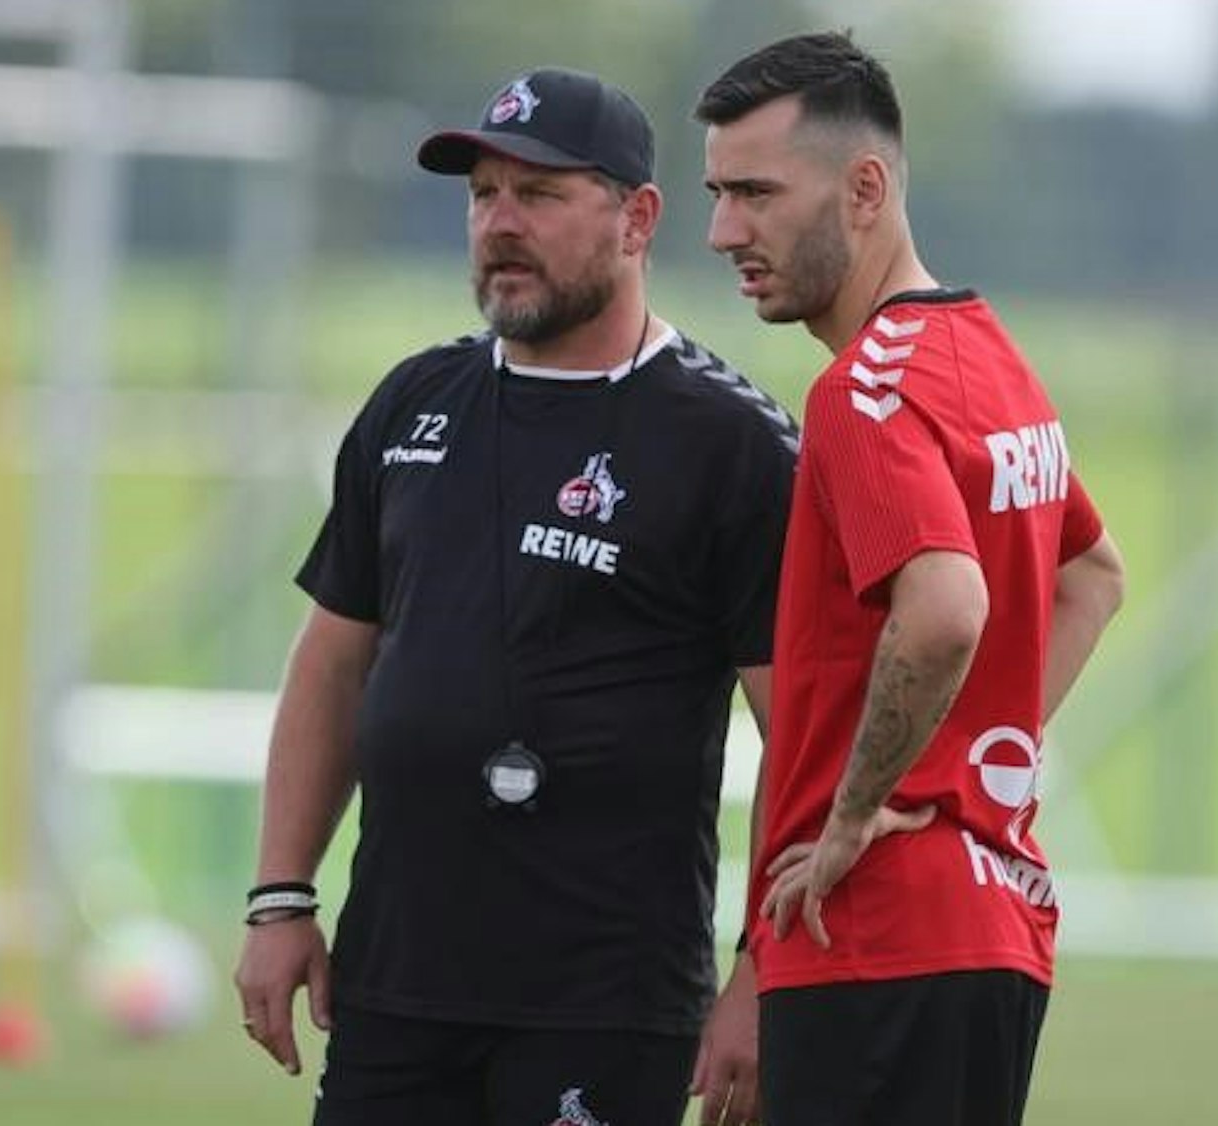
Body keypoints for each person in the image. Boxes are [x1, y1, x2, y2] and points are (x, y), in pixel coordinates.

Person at [233, 67, 796, 1126]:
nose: (499, 222)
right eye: (482, 194)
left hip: (605, 1004)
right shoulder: (413, 402)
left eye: (537, 195)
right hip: (396, 986)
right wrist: (281, 895)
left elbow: (802, 732)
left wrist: (763, 978)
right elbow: (334, 662)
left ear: (637, 218)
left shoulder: (731, 445)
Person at [696, 31, 1128, 1125]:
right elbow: (1092, 575)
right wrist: (961, 772)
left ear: (864, 187)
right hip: (992, 927)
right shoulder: (987, 355)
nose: (721, 231)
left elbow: (942, 614)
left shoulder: (863, 395)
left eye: (754, 192)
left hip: (870, 935)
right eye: (716, 193)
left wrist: (859, 812)